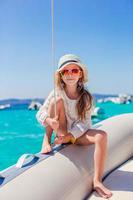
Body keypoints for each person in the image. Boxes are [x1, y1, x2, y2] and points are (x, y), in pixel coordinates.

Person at [36, 54, 112, 198]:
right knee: (55, 102)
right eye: (66, 71)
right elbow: (40, 112)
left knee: (102, 136)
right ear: (60, 75)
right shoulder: (56, 92)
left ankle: (97, 180)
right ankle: (46, 139)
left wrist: (71, 136)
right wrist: (49, 120)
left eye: (74, 70)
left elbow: (85, 123)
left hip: (77, 135)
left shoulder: (86, 97)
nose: (70, 74)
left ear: (81, 74)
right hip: (61, 130)